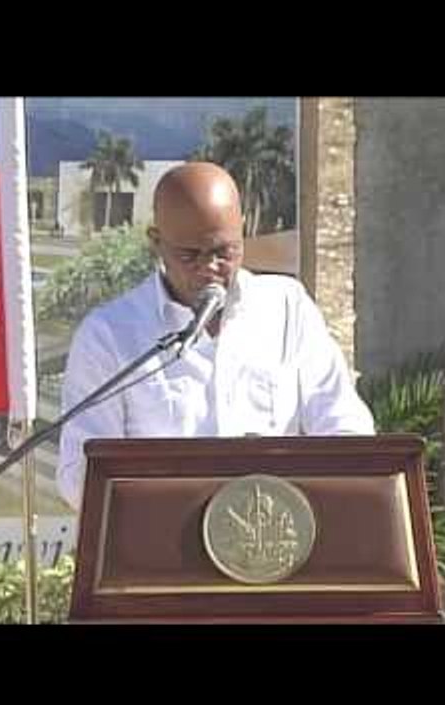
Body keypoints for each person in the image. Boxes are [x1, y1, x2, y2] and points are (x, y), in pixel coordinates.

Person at [56, 162, 374, 510]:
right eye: (189, 255)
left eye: (224, 252)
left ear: (242, 231)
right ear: (156, 243)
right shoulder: (109, 334)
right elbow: (79, 478)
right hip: (162, 548)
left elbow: (344, 426)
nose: (210, 269)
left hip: (278, 536)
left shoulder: (286, 307)